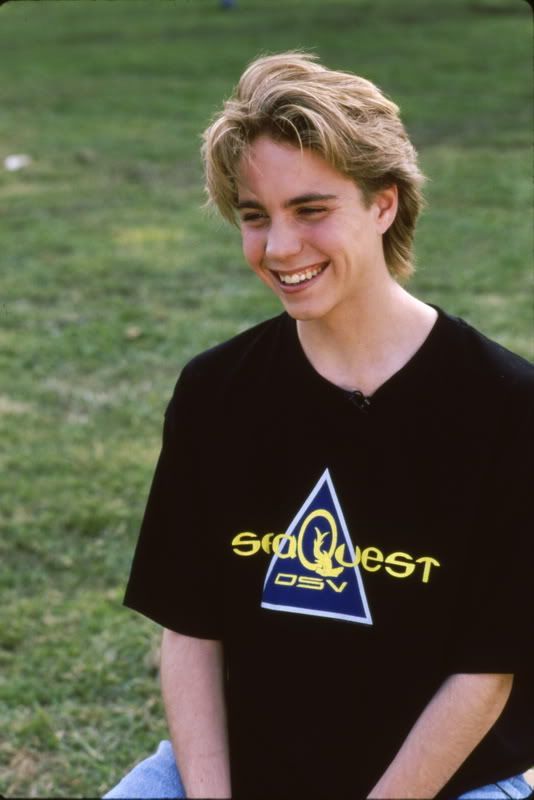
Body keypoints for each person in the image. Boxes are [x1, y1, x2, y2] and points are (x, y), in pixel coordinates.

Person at [105, 52, 534, 799]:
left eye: (311, 210)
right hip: (242, 767)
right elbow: (190, 632)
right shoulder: (215, 392)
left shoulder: (505, 405)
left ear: (384, 204)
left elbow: (487, 672)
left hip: (445, 781)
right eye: (254, 216)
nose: (278, 249)